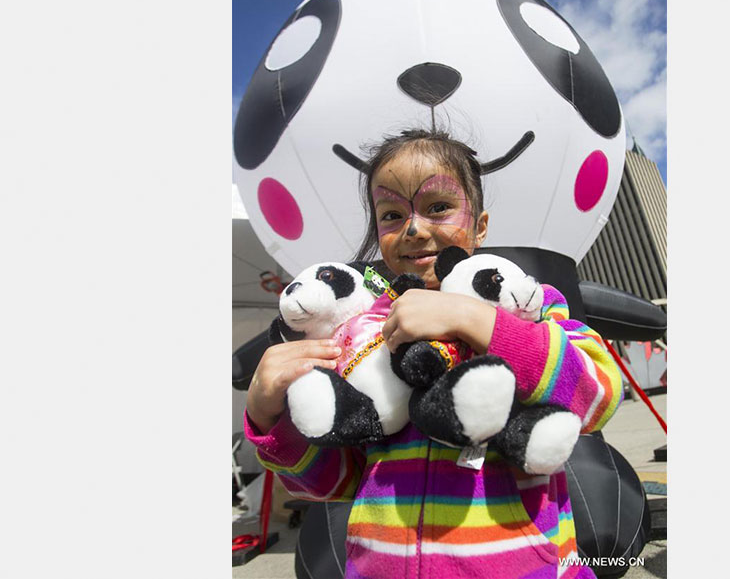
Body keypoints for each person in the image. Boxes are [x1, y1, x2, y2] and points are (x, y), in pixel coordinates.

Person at [245, 129, 624, 579]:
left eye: (438, 207)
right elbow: (336, 481)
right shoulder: (365, 333)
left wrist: (472, 320)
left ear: (480, 226)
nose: (413, 228)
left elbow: (598, 392)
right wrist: (268, 419)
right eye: (390, 214)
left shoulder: (523, 303)